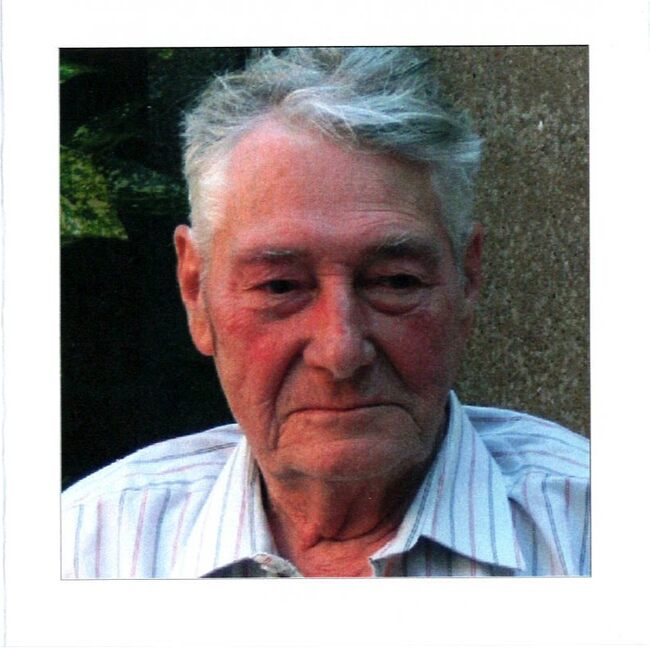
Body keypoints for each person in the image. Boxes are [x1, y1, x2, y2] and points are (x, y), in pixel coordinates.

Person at [62, 47, 590, 578]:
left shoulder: (587, 534)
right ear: (196, 291)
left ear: (467, 282)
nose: (341, 352)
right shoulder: (87, 548)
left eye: (395, 282)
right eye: (280, 287)